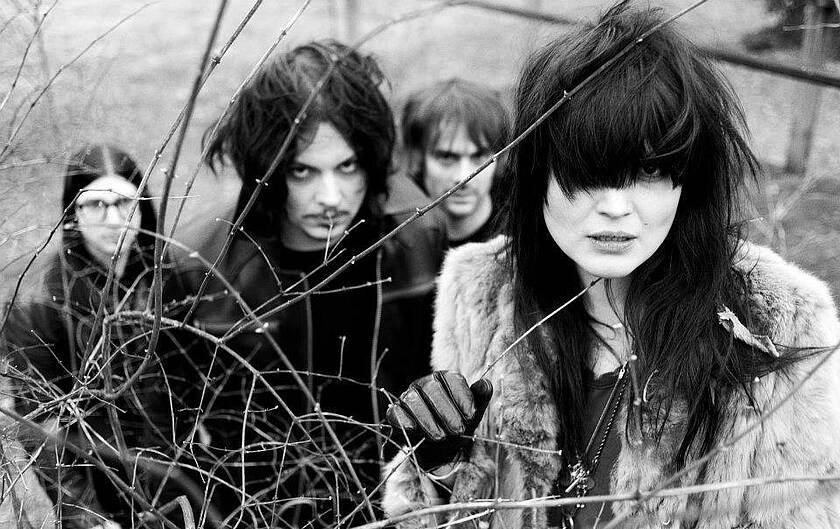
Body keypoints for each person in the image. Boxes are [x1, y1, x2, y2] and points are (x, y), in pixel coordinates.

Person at [383, 3, 840, 528]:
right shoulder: (484, 293)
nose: (617, 208)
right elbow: (453, 512)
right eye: (589, 171)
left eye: (649, 172)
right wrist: (439, 468)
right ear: (537, 175)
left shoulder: (780, 324)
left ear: (688, 180)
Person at [177, 40, 446, 524]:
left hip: (397, 509)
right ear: (267, 170)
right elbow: (170, 431)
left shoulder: (417, 236)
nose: (331, 197)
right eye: (303, 171)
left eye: (348, 166)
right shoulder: (202, 267)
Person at [1, 145, 187, 529]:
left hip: (180, 479)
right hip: (100, 485)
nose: (114, 219)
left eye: (125, 203)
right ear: (73, 213)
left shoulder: (169, 274)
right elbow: (42, 427)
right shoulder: (38, 299)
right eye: (96, 205)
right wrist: (87, 517)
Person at [401, 78, 509, 247]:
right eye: (447, 157)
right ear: (418, 157)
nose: (464, 177)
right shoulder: (393, 237)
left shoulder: (525, 234)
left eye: (479, 156)